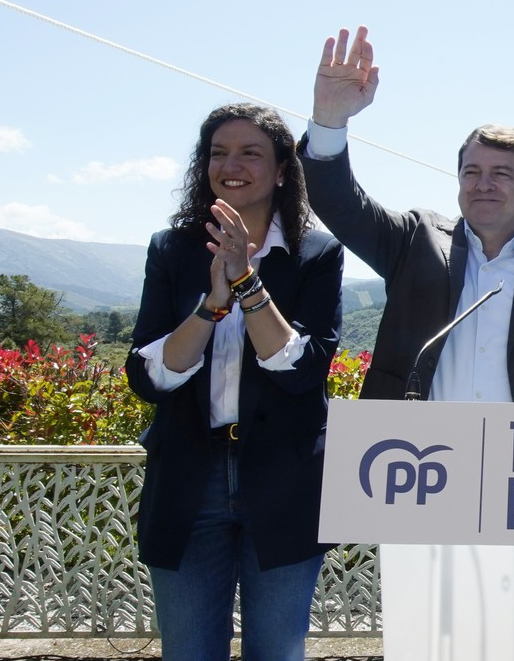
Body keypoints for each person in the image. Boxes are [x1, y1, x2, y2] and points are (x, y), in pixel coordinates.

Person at [126, 103, 344, 659]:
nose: (232, 165)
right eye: (218, 153)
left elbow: (301, 371)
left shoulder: (316, 253)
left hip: (285, 482)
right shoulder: (171, 249)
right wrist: (211, 305)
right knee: (189, 651)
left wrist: (247, 283)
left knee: (276, 650)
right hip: (187, 480)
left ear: (280, 170)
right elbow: (150, 377)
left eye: (251, 153)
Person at [300, 25, 514, 403]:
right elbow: (339, 203)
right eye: (471, 172)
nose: (483, 184)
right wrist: (329, 120)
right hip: (412, 456)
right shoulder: (414, 240)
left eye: (501, 174)